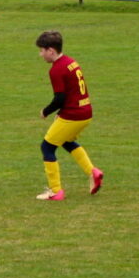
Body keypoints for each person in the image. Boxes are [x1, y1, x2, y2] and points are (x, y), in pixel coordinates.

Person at [35, 30, 103, 200]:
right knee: (65, 141)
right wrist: (61, 113)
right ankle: (93, 172)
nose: (40, 54)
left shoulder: (56, 70)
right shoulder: (71, 62)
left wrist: (45, 111)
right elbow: (73, 92)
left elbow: (60, 98)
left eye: (42, 50)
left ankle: (56, 191)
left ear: (51, 50)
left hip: (73, 114)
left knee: (47, 147)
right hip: (85, 112)